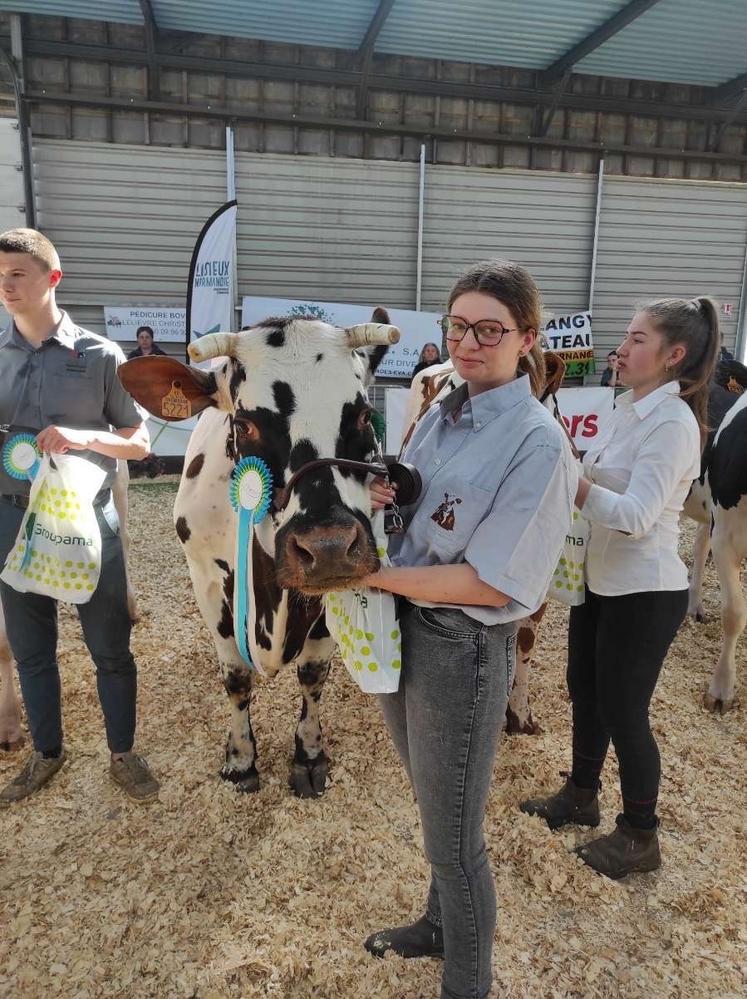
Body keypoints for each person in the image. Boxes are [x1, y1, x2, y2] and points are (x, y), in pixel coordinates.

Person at [362, 261, 577, 999]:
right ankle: (437, 925)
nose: (468, 342)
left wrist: (368, 574)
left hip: (459, 647)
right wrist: (389, 494)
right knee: (434, 807)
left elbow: (492, 582)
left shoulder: (537, 442)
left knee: (455, 838)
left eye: (489, 329)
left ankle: (468, 982)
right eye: (457, 326)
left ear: (526, 338)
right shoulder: (441, 407)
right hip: (401, 631)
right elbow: (418, 514)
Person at [521, 297, 720, 879]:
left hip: (644, 591)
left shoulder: (674, 423)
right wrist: (574, 463)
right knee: (585, 689)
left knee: (625, 711)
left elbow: (636, 514)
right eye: (626, 337)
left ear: (672, 355)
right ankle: (581, 795)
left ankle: (640, 834)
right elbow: (607, 476)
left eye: (636, 339)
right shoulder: (628, 409)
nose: (621, 348)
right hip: (600, 581)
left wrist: (574, 484)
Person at [0, 227, 159, 806]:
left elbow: (139, 442)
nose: (6, 285)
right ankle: (47, 754)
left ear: (52, 279)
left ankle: (123, 753)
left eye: (17, 273)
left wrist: (80, 436)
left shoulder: (99, 355)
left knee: (110, 646)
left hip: (88, 522)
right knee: (31, 647)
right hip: (11, 520)